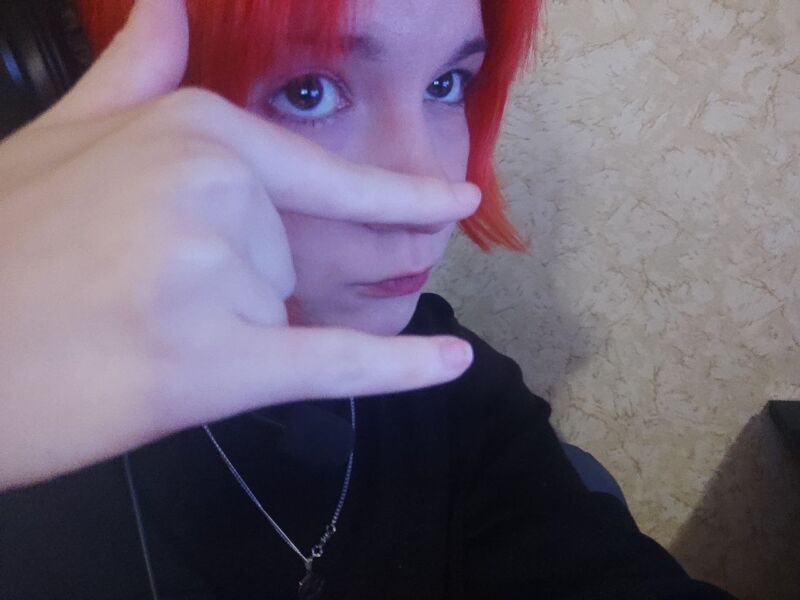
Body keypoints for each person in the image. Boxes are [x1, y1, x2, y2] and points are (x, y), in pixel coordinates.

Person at [0, 0, 735, 598]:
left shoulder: (450, 381)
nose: (429, 196)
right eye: (308, 91)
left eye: (447, 85)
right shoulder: (29, 436)